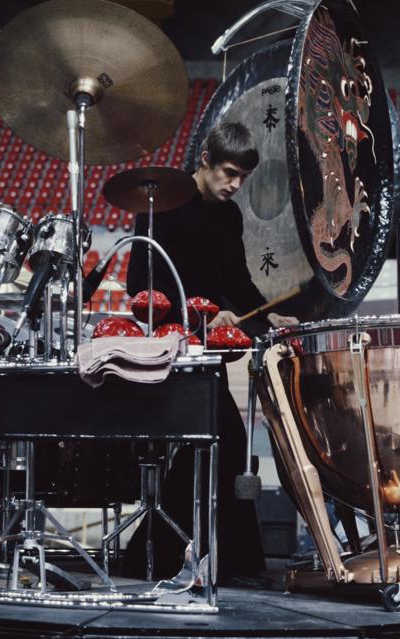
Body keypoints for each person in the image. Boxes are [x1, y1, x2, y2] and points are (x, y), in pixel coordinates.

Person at [124, 121, 298, 584]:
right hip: (169, 348)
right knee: (224, 441)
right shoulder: (161, 204)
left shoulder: (229, 216)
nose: (235, 185)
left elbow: (237, 283)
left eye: (243, 177)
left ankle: (169, 555)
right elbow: (140, 285)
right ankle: (199, 559)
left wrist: (267, 317)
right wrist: (202, 313)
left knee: (222, 444)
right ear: (205, 160)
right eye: (229, 173)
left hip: (208, 352)